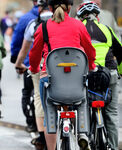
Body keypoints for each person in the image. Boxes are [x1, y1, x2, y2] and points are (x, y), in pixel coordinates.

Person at [28, 0, 97, 149]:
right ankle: (82, 133)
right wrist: (91, 66)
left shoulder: (43, 27)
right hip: (75, 81)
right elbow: (90, 50)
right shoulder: (79, 25)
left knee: (49, 112)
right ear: (70, 7)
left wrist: (33, 68)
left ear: (50, 7)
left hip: (51, 81)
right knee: (82, 100)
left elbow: (34, 54)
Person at [77, 1, 122, 149]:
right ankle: (114, 147)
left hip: (87, 75)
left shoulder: (78, 30)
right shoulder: (107, 30)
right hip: (110, 74)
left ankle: (85, 136)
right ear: (97, 16)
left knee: (83, 105)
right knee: (112, 113)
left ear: (81, 17)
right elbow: (120, 53)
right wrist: (120, 72)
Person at [15, 0, 52, 149]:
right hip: (65, 62)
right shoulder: (63, 22)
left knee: (39, 95)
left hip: (42, 64)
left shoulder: (34, 24)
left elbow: (26, 50)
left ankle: (42, 137)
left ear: (39, 8)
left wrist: (19, 64)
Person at [10, 0, 39, 133]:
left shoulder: (26, 19)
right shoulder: (56, 17)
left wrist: (15, 58)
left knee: (27, 92)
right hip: (54, 64)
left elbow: (17, 40)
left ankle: (31, 122)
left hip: (29, 63)